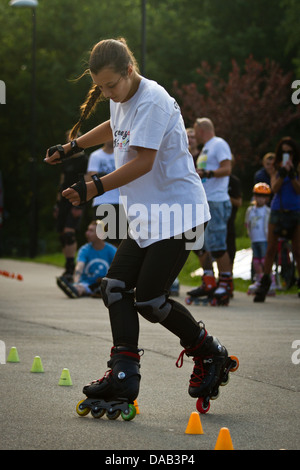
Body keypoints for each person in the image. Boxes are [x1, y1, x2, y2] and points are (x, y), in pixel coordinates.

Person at [44, 38, 237, 415]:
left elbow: (144, 162)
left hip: (179, 214)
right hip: (149, 216)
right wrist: (73, 146)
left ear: (129, 70)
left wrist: (93, 187)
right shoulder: (123, 97)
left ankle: (210, 353)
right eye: (100, 87)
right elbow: (113, 126)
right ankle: (123, 374)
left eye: (111, 85)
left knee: (150, 300)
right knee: (115, 287)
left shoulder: (152, 100)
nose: (107, 93)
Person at [187, 117, 233, 306]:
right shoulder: (207, 148)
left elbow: (227, 168)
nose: (194, 135)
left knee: (218, 245)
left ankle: (226, 283)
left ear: (202, 129)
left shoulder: (218, 144)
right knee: (201, 244)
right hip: (205, 201)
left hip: (217, 200)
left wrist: (207, 174)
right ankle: (209, 282)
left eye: (195, 131)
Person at [254, 136, 300, 302]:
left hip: (295, 210)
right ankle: (265, 284)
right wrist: (282, 174)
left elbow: (298, 190)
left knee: (297, 250)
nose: (287, 154)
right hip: (278, 210)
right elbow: (274, 188)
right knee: (271, 249)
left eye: (290, 152)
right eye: (284, 152)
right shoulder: (275, 167)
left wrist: (293, 174)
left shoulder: (298, 166)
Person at [54, 131, 88, 281]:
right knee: (62, 234)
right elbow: (61, 182)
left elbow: (86, 182)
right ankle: (68, 266)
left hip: (76, 200)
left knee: (69, 233)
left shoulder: (85, 160)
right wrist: (56, 204)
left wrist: (80, 205)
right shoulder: (66, 160)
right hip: (63, 201)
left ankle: (71, 269)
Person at [56, 220, 117, 298]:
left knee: (109, 286)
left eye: (91, 231)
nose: (87, 233)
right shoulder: (84, 249)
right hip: (87, 283)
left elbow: (118, 268)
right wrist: (76, 283)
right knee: (80, 288)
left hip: (104, 282)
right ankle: (75, 290)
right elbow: (79, 267)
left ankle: (100, 290)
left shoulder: (111, 250)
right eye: (88, 230)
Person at [86, 140, 125, 246]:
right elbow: (91, 179)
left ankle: (115, 262)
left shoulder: (122, 154)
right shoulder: (96, 156)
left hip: (120, 202)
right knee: (100, 238)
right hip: (101, 201)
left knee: (118, 239)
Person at [245, 183, 272, 295]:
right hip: (255, 239)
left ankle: (269, 280)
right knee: (256, 261)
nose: (260, 199)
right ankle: (259, 280)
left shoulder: (267, 211)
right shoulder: (251, 210)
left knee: (265, 261)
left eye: (263, 196)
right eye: (258, 195)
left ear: (266, 198)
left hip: (263, 239)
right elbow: (247, 223)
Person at [227, 156, 242, 271]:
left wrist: (222, 195)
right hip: (213, 220)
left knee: (229, 247)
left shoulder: (234, 181)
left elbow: (238, 202)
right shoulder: (212, 181)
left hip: (229, 220)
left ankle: (228, 276)